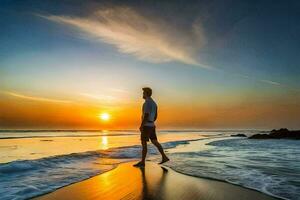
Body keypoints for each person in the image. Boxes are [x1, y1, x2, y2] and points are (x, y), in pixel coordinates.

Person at [134, 87, 169, 167]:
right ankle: (164, 157)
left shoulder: (147, 103)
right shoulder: (154, 103)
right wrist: (151, 122)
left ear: (146, 93)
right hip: (152, 125)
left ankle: (142, 162)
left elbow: (146, 115)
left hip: (146, 126)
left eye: (143, 93)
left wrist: (142, 125)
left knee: (144, 143)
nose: (142, 94)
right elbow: (156, 116)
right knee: (155, 141)